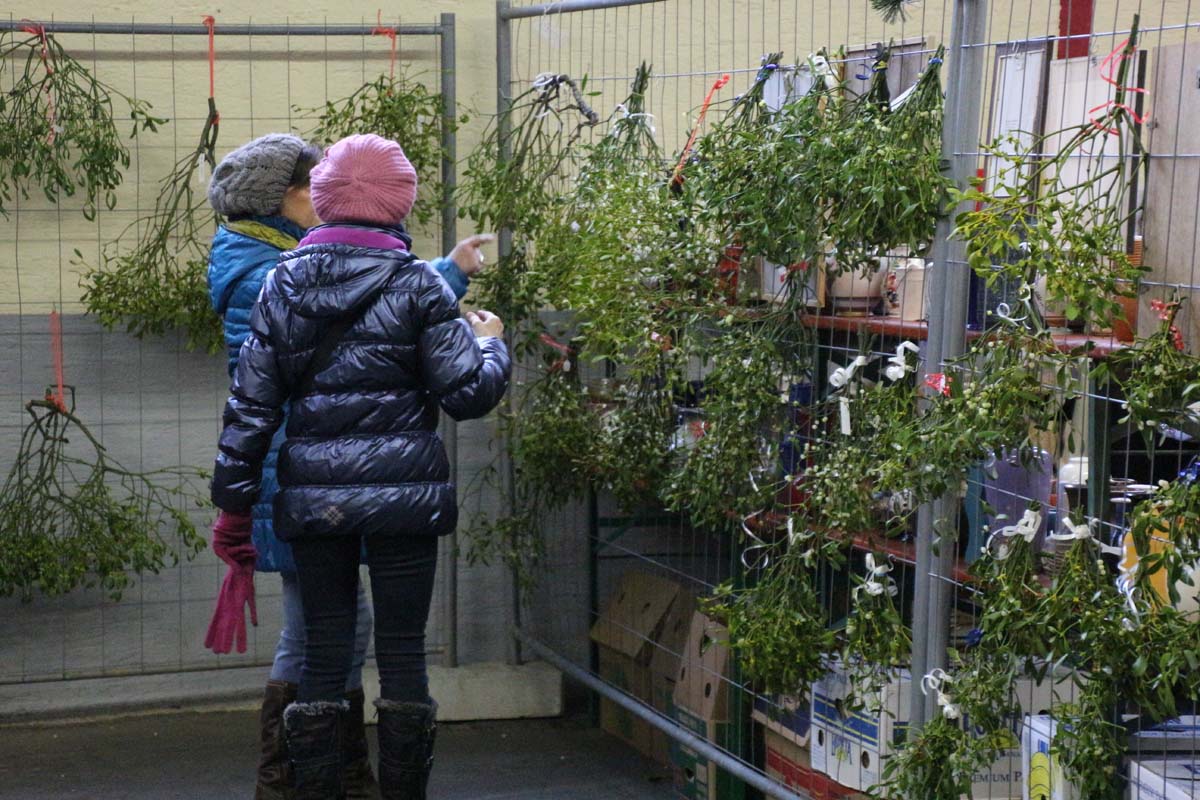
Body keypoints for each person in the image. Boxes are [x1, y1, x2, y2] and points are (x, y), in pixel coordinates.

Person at [209, 133, 510, 800]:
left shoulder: (282, 282)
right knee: (402, 655)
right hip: (406, 502)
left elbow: (250, 407)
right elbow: (467, 394)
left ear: (322, 197)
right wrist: (492, 345)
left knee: (323, 648)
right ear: (399, 201)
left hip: (315, 500)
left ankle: (318, 788)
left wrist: (232, 505)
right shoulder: (417, 285)